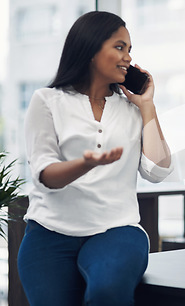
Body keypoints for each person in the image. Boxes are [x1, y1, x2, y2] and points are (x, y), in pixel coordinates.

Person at [18, 11, 173, 305]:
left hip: (116, 229)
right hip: (49, 232)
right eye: (119, 47)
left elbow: (157, 171)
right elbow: (46, 174)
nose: (127, 57)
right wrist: (86, 163)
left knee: (107, 291)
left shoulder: (131, 110)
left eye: (129, 50)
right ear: (90, 50)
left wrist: (147, 106)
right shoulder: (47, 100)